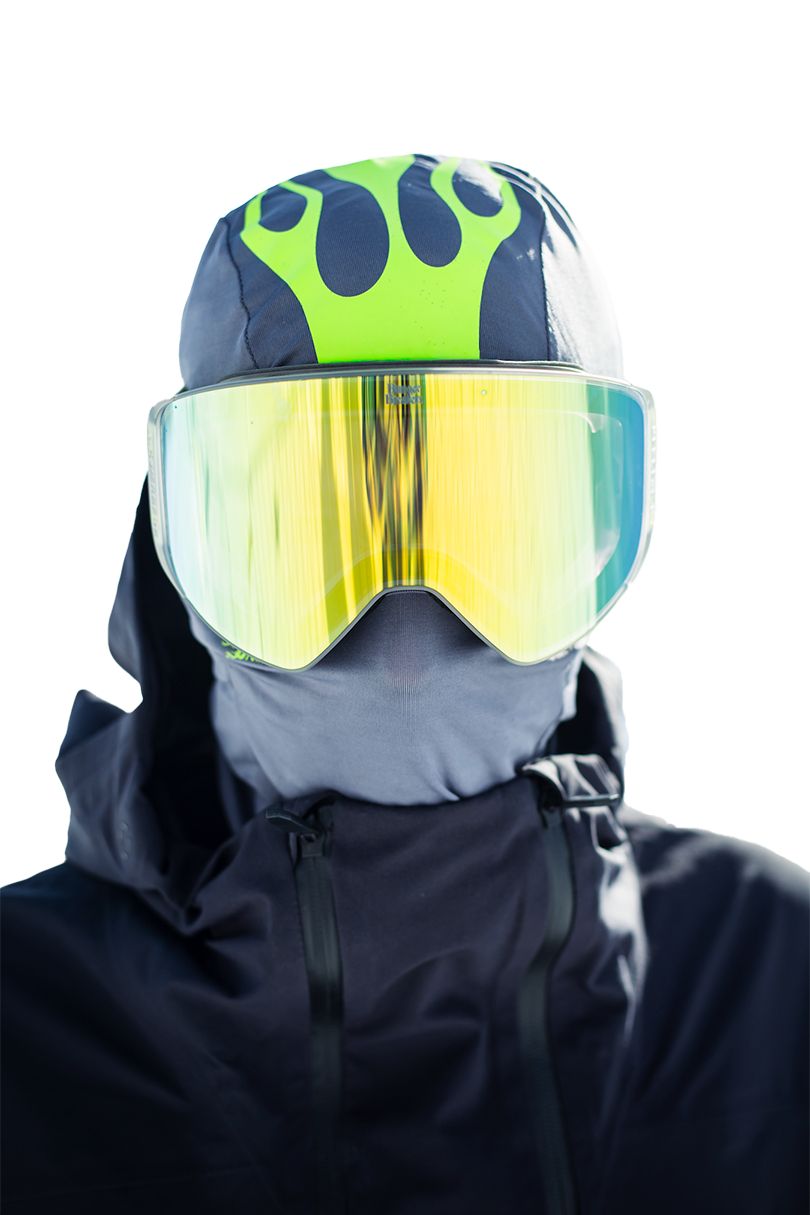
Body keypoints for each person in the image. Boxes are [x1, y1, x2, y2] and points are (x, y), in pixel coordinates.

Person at [1, 154, 809, 1215]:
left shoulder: (773, 979)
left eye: (501, 526)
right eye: (306, 531)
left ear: (605, 538)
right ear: (181, 554)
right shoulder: (23, 1034)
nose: (406, 652)